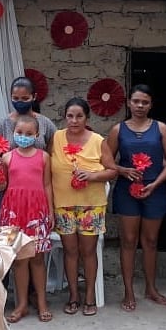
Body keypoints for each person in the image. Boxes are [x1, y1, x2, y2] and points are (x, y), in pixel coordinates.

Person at [107, 84, 166, 312]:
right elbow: (106, 160)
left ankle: (151, 288)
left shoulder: (161, 128)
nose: (140, 106)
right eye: (136, 101)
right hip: (127, 190)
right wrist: (122, 170)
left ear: (151, 104)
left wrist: (156, 182)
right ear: (129, 102)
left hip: (154, 189)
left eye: (145, 102)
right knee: (128, 241)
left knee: (150, 241)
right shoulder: (118, 130)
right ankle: (128, 291)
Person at [50, 97, 117, 316]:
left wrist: (92, 175)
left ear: (87, 117)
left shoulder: (98, 140)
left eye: (79, 116)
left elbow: (112, 170)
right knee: (70, 251)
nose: (74, 120)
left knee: (88, 252)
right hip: (63, 204)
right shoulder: (57, 138)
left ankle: (89, 295)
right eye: (70, 116)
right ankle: (73, 295)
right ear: (65, 117)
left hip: (91, 204)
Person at [0, 114, 54, 323]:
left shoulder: (44, 157)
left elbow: (47, 185)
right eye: (19, 133)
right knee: (20, 260)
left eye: (29, 133)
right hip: (13, 211)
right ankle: (21, 304)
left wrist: (50, 211)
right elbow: (1, 187)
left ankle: (41, 302)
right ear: (13, 134)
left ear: (37, 135)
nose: (23, 136)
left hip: (36, 211)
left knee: (38, 258)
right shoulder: (7, 157)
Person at [0, 76, 57, 214]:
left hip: (37, 192)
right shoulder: (2, 125)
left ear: (34, 97)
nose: (20, 102)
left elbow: (52, 156)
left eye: (25, 98)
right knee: (8, 235)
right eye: (16, 98)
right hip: (8, 192)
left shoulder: (46, 124)